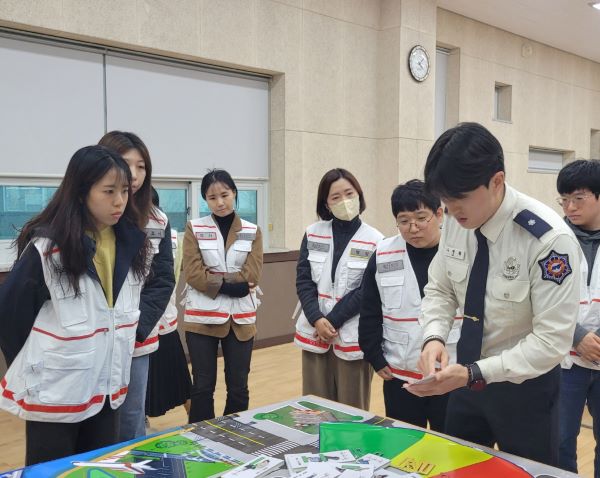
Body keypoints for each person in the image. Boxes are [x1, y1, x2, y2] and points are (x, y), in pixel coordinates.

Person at [405, 122, 581, 466]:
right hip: (465, 382)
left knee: (527, 471)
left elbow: (551, 341)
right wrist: (434, 337)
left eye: (460, 198)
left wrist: (475, 372)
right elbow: (440, 288)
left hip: (526, 389)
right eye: (445, 200)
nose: (451, 209)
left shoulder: (548, 241)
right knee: (458, 466)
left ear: (496, 181)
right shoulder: (458, 222)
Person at [0, 145, 149, 465]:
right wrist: (34, 365)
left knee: (98, 467)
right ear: (81, 193)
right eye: (109, 191)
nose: (120, 201)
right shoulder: (49, 247)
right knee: (52, 470)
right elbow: (10, 314)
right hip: (57, 391)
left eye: (124, 191)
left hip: (107, 388)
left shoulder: (131, 241)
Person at [359, 180, 460, 430]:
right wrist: (374, 356)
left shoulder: (461, 249)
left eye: (421, 218)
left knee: (450, 442)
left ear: (439, 214)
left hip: (452, 372)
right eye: (404, 221)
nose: (413, 228)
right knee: (404, 441)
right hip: (399, 372)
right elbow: (370, 309)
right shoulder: (383, 253)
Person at [98, 132, 175, 440]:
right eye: (125, 163)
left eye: (141, 166)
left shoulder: (157, 220)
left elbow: (163, 278)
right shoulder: (87, 217)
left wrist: (137, 327)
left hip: (137, 339)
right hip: (91, 340)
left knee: (132, 417)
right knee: (94, 422)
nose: (133, 174)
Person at [295, 168, 383, 410]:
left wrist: (332, 320)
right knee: (314, 409)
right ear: (326, 203)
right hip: (315, 329)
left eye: (349, 193)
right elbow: (304, 280)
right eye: (336, 197)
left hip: (352, 331)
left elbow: (368, 290)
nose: (344, 201)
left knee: (352, 410)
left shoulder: (376, 240)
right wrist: (317, 319)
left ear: (359, 195)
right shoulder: (313, 234)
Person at [182, 169, 263, 422]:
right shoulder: (195, 228)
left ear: (234, 193)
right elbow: (193, 273)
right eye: (212, 197)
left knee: (238, 386)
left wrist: (214, 279)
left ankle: (234, 434)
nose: (219, 202)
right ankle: (200, 436)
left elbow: (252, 274)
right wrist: (231, 286)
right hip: (202, 318)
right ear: (205, 200)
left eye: (225, 195)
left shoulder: (252, 230)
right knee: (202, 386)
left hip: (240, 319)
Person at [556, 159, 600, 476]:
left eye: (579, 198)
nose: (570, 207)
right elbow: (535, 299)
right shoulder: (551, 240)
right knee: (559, 441)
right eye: (564, 199)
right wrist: (577, 336)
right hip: (564, 361)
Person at [145, 188, 191, 418]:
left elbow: (167, 276)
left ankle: (197, 421)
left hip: (162, 317)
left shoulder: (168, 234)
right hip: (148, 320)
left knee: (179, 380)